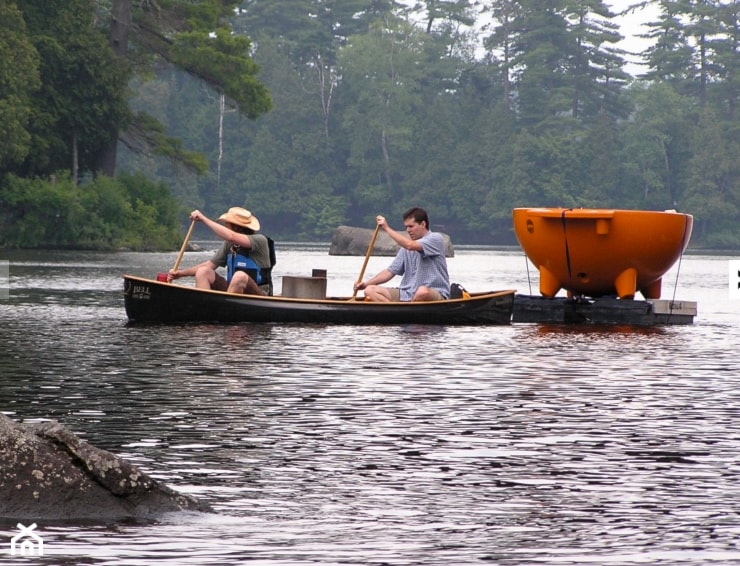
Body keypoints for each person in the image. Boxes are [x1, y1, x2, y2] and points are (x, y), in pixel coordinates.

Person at [168, 207, 273, 295]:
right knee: (203, 271)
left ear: (236, 227)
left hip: (259, 293)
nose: (225, 226)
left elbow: (231, 236)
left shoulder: (260, 240)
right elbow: (209, 265)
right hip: (233, 290)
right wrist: (180, 273)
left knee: (239, 276)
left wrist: (203, 219)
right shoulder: (229, 244)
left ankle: (228, 310)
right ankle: (205, 308)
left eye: (227, 224)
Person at [354, 207, 450, 302]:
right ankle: (395, 313)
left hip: (434, 292)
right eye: (406, 227)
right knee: (370, 290)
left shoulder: (435, 239)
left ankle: (405, 312)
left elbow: (410, 245)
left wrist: (386, 228)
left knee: (422, 291)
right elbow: (390, 272)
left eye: (411, 226)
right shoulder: (405, 248)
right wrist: (365, 284)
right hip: (407, 293)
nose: (408, 230)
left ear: (423, 224)